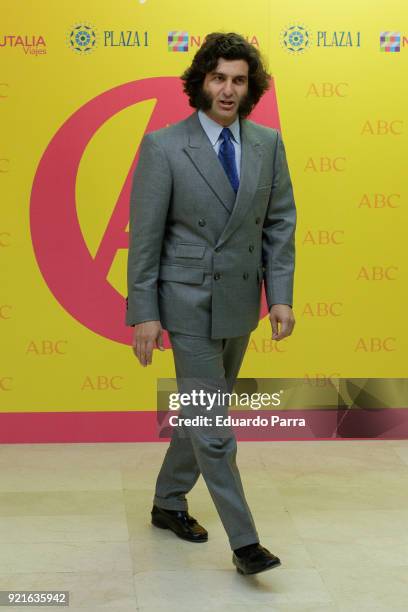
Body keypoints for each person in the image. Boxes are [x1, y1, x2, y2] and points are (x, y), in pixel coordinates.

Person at [125, 32, 296, 575]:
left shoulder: (268, 142)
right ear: (200, 81)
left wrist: (281, 297)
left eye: (239, 80)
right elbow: (146, 237)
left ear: (252, 88)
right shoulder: (163, 145)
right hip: (186, 301)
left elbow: (279, 223)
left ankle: (167, 502)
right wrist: (145, 313)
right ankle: (246, 545)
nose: (228, 89)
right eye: (218, 77)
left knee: (198, 415)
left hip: (241, 301)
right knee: (214, 425)